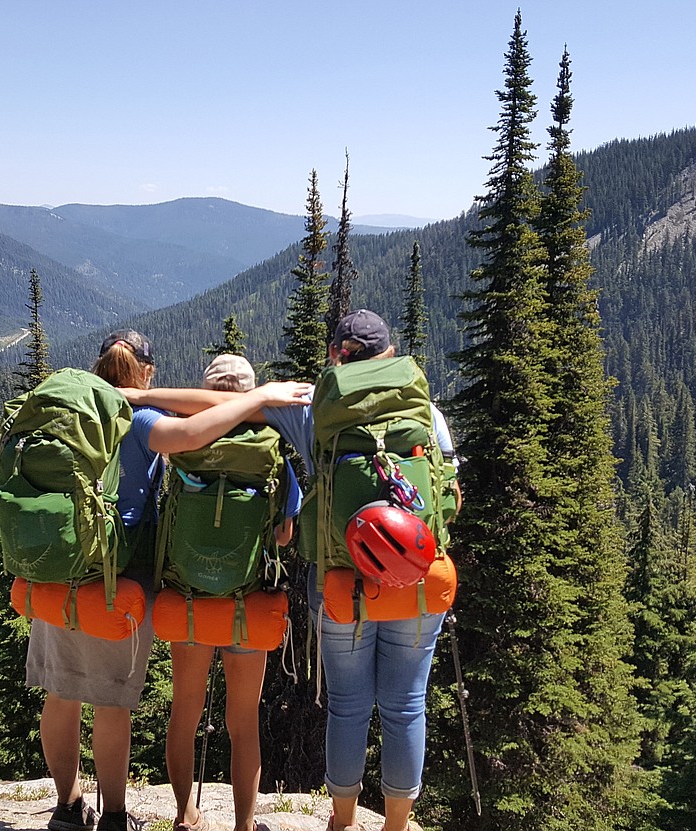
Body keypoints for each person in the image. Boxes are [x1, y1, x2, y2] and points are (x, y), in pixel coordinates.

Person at [121, 311, 459, 831]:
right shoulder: (425, 412)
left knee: (347, 707)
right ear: (389, 357)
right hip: (417, 581)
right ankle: (394, 826)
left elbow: (228, 407)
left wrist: (143, 397)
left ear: (334, 358)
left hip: (341, 585)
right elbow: (450, 498)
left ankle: (342, 822)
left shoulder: (316, 411)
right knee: (406, 706)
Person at [29, 330, 313, 831]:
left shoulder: (81, 411)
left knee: (74, 694)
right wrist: (264, 400)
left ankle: (104, 809)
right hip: (169, 584)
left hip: (72, 564)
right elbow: (285, 534)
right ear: (147, 374)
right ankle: (184, 822)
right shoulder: (149, 423)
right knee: (129, 704)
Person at [163, 354, 303, 831]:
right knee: (243, 721)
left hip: (188, 600)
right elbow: (283, 536)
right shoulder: (270, 452)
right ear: (250, 393)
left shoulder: (183, 446)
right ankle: (244, 825)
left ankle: (184, 815)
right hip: (246, 601)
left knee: (185, 711)